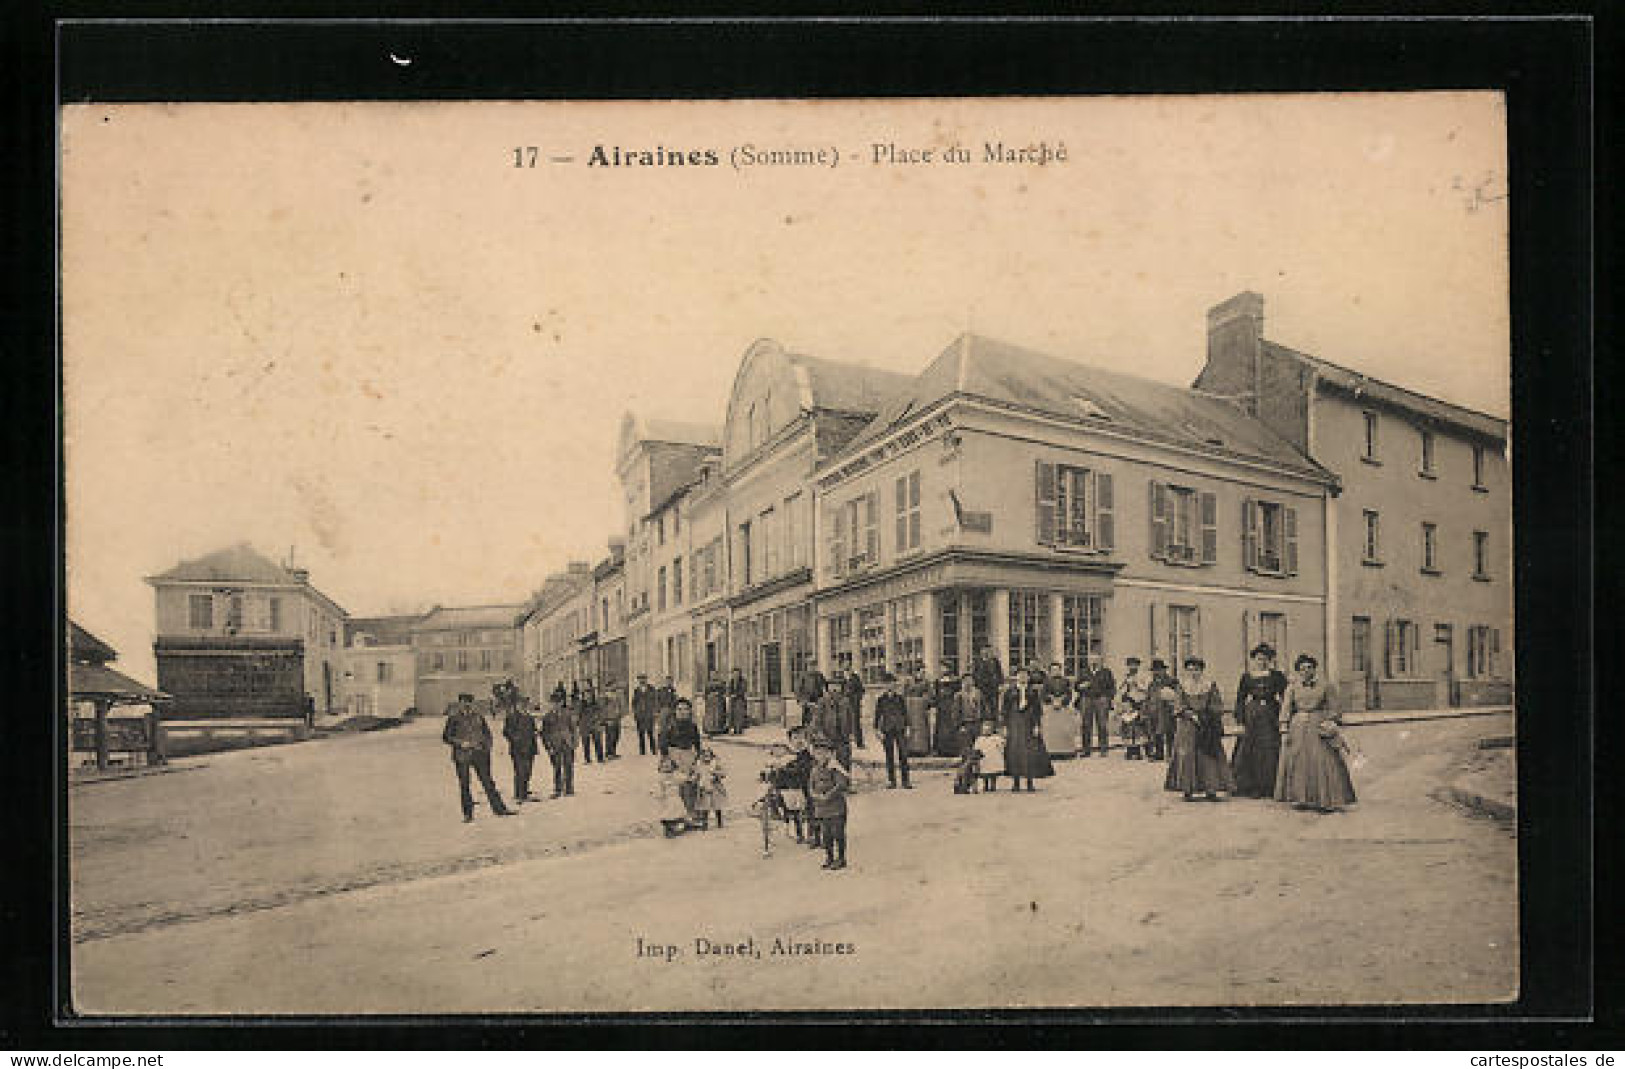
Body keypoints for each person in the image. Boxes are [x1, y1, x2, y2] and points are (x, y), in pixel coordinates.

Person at [1275, 654, 1357, 812]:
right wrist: (1284, 726)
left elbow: (1334, 707)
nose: (1306, 671)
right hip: (1298, 727)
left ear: (1314, 669)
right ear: (1298, 671)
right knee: (1299, 761)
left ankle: (1325, 799)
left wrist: (1330, 722)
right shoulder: (1292, 687)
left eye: (1309, 668)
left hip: (1318, 725)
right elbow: (1286, 708)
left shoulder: (1326, 686)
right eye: (1302, 669)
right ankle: (1301, 798)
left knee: (1322, 760)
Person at [1164, 656, 1235, 801]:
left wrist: (1206, 715)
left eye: (1196, 669)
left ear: (1201, 670)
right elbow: (1178, 705)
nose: (1193, 673)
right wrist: (1190, 714)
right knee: (1187, 755)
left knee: (1208, 755)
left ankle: (1211, 789)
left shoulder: (1209, 685)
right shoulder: (1182, 686)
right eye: (1190, 670)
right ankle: (1187, 789)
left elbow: (1216, 704)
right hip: (1187, 725)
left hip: (1206, 724)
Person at [442, 692, 515, 822]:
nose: (466, 705)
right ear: (460, 704)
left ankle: (499, 809)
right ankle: (468, 814)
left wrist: (486, 747)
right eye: (464, 702)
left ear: (472, 704)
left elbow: (487, 734)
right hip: (462, 756)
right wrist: (460, 743)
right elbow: (446, 737)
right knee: (465, 784)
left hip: (479, 754)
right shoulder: (453, 719)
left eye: (469, 702)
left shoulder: (479, 717)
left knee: (488, 782)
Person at [1230, 644, 1290, 798]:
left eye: (1265, 659)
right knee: (1249, 749)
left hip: (1271, 715)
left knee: (1270, 749)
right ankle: (1250, 786)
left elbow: (1286, 697)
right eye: (1258, 659)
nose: (1261, 662)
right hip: (1252, 715)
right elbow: (1240, 699)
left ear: (1270, 660)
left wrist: (1286, 716)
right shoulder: (1247, 676)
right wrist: (1240, 718)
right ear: (1254, 660)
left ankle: (1270, 786)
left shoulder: (1277, 676)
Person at [1001, 669, 1055, 792]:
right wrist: (1004, 726)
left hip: (1028, 723)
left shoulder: (1033, 692)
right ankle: (1016, 782)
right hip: (1014, 724)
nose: (1023, 678)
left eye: (1025, 676)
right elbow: (1005, 710)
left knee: (1030, 753)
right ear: (1016, 677)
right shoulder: (1009, 692)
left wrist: (1037, 726)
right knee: (1014, 752)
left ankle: (1030, 782)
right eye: (1020, 675)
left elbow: (1037, 710)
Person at [807, 738, 852, 871]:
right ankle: (829, 857)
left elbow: (841, 785)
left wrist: (828, 795)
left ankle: (841, 858)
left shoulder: (835, 768)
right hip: (822, 808)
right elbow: (810, 786)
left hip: (836, 807)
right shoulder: (814, 770)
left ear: (830, 754)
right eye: (817, 753)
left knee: (838, 833)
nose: (820, 756)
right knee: (826, 835)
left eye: (823, 753)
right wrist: (814, 795)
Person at [664, 697, 703, 819]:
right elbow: (664, 745)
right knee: (675, 787)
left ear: (690, 711)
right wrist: (668, 759)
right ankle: (676, 814)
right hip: (674, 755)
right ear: (675, 711)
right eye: (680, 709)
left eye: (686, 709)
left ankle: (691, 812)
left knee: (691, 784)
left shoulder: (693, 726)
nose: (683, 712)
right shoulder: (670, 726)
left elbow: (697, 744)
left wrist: (697, 758)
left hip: (688, 756)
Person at [873, 672, 913, 789]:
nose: (889, 686)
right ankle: (891, 781)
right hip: (887, 729)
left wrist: (908, 727)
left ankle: (906, 781)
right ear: (884, 686)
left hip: (900, 729)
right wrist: (877, 731)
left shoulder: (900, 698)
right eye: (887, 684)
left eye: (892, 683)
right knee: (889, 756)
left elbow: (905, 713)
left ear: (895, 685)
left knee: (903, 755)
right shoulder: (881, 700)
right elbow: (877, 716)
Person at [501, 694, 540, 802]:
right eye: (521, 704)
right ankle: (519, 794)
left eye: (525, 704)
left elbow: (533, 729)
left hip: (530, 747)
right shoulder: (511, 717)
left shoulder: (529, 717)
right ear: (516, 705)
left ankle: (524, 790)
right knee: (520, 770)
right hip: (517, 748)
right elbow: (506, 731)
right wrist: (515, 738)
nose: (523, 706)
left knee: (528, 770)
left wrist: (535, 733)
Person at [1078, 652, 1116, 757]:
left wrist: (1108, 698)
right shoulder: (1083, 672)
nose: (1094, 662)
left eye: (1096, 660)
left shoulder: (1106, 672)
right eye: (1092, 660)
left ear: (1101, 661)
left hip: (1101, 699)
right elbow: (1076, 687)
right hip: (1087, 699)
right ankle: (1086, 750)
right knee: (1086, 725)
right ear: (1088, 661)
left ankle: (1103, 749)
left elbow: (1112, 687)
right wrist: (1081, 686)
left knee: (1102, 725)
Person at [540, 694, 577, 798]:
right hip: (555, 744)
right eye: (553, 703)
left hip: (567, 743)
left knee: (568, 765)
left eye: (558, 702)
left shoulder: (568, 714)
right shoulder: (547, 717)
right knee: (557, 767)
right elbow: (544, 733)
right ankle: (558, 789)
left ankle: (569, 788)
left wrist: (574, 742)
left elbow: (573, 728)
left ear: (561, 703)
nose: (555, 705)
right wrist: (548, 746)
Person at [1040, 660, 1079, 757]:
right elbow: (1043, 694)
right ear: (1050, 671)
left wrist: (1062, 700)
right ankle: (1052, 752)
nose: (1055, 671)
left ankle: (1065, 752)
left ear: (1060, 670)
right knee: (1051, 732)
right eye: (1053, 670)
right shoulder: (1046, 682)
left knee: (1064, 730)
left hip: (1063, 709)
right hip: (1050, 708)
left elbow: (1069, 693)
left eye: (1057, 669)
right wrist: (1051, 699)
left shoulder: (1065, 681)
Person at [813, 684, 853, 772]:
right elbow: (817, 720)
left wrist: (850, 733)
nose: (835, 689)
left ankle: (844, 781)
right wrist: (820, 734)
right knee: (826, 762)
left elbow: (850, 718)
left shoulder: (846, 701)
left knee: (844, 761)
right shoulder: (822, 702)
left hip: (843, 738)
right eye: (832, 686)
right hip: (827, 737)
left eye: (837, 686)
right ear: (828, 688)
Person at [1117, 657, 1150, 760]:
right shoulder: (1125, 676)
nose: (1132, 667)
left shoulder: (1143, 676)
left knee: (1140, 727)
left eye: (1134, 665)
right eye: (1130, 665)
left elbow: (1146, 688)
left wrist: (1137, 684)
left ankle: (1142, 750)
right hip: (1129, 703)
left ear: (1138, 666)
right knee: (1128, 727)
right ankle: (1130, 750)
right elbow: (1120, 689)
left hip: (1139, 702)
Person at [1145, 658, 1178, 761]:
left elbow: (1177, 696)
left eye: (1159, 670)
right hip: (1154, 711)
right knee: (1156, 733)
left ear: (1164, 670)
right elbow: (1148, 697)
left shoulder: (1172, 681)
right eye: (1154, 670)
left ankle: (1170, 754)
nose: (1156, 672)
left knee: (1169, 732)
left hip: (1167, 711)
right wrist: (1147, 709)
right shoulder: (1152, 684)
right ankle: (1159, 754)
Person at [902, 667, 934, 758]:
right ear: (915, 673)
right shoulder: (908, 682)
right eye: (920, 672)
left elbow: (931, 696)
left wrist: (926, 700)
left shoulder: (926, 683)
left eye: (924, 672)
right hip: (910, 709)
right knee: (911, 728)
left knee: (922, 729)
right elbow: (903, 695)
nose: (922, 674)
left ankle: (922, 750)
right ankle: (910, 749)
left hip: (921, 710)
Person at [693, 747, 728, 829]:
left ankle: (719, 821)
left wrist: (716, 773)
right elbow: (696, 775)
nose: (706, 758)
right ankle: (705, 823)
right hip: (704, 787)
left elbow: (724, 774)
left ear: (712, 757)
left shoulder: (715, 764)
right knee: (705, 806)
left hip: (715, 787)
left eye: (708, 756)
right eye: (704, 756)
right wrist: (693, 779)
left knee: (717, 805)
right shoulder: (699, 765)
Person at [930, 666, 963, 756]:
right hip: (941, 707)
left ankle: (952, 750)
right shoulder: (938, 681)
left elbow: (958, 693)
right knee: (940, 728)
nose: (943, 669)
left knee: (952, 727)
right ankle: (940, 750)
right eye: (942, 668)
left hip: (951, 706)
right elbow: (935, 695)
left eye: (945, 667)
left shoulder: (956, 681)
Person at [655, 756, 690, 838]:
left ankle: (675, 828)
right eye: (664, 766)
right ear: (660, 768)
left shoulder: (675, 775)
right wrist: (658, 794)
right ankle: (668, 829)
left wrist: (687, 776)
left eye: (668, 766)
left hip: (675, 798)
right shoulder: (660, 778)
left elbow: (683, 778)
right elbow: (659, 787)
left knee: (677, 813)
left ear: (673, 767)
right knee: (667, 814)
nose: (666, 768)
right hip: (667, 799)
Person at [973, 720, 1005, 793]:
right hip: (984, 757)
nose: (986, 731)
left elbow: (1001, 746)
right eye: (985, 730)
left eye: (989, 730)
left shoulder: (996, 738)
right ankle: (986, 784)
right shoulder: (980, 739)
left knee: (994, 770)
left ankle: (993, 784)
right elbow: (976, 748)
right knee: (984, 771)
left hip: (993, 757)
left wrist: (1001, 751)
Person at [631, 673, 659, 756]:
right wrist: (635, 712)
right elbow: (634, 702)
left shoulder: (652, 689)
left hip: (649, 715)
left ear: (646, 680)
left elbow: (655, 701)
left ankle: (653, 751)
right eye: (640, 679)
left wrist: (655, 712)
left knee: (650, 733)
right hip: (640, 715)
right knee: (641, 734)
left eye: (643, 679)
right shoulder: (636, 690)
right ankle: (642, 752)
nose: (642, 680)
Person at [577, 682, 604, 764]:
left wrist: (599, 721)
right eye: (585, 694)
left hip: (594, 724)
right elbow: (578, 714)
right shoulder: (581, 704)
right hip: (584, 725)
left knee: (597, 740)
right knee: (586, 742)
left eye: (589, 694)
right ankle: (587, 759)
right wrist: (578, 724)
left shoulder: (596, 703)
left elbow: (600, 713)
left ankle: (600, 758)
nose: (587, 696)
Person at [796, 665, 828, 730]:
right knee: (807, 719)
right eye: (810, 666)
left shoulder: (819, 675)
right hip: (807, 701)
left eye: (814, 666)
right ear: (807, 667)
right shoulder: (803, 676)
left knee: (819, 718)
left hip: (818, 700)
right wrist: (800, 700)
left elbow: (825, 686)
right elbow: (798, 689)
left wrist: (825, 694)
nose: (812, 668)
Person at [973, 649, 1005, 713]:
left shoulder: (995, 661)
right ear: (981, 653)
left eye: (988, 651)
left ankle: (993, 717)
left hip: (993, 687)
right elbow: (974, 674)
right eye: (984, 651)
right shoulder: (977, 662)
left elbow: (1000, 673)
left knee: (993, 704)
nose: (986, 653)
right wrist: (975, 685)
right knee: (982, 704)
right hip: (981, 687)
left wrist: (1001, 684)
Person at [842, 669, 866, 750]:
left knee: (856, 724)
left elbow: (862, 691)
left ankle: (859, 743)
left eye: (848, 670)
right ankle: (846, 743)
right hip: (846, 705)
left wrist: (856, 699)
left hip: (854, 705)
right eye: (845, 671)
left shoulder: (856, 679)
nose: (846, 672)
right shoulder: (844, 680)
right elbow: (842, 691)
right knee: (846, 723)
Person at [654, 676, 679, 753]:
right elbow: (657, 701)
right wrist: (657, 712)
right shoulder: (660, 691)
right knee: (662, 729)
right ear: (665, 682)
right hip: (663, 711)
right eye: (668, 681)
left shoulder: (673, 691)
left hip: (671, 711)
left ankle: (671, 743)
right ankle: (661, 745)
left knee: (672, 727)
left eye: (671, 681)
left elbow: (675, 702)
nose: (669, 683)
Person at [727, 667, 749, 734]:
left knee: (739, 715)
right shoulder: (731, 681)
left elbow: (743, 690)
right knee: (731, 714)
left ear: (740, 674)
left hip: (740, 699)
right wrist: (729, 694)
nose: (735, 675)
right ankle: (732, 729)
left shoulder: (743, 681)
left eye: (737, 673)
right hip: (732, 699)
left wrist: (736, 695)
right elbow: (729, 689)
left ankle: (739, 729)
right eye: (734, 673)